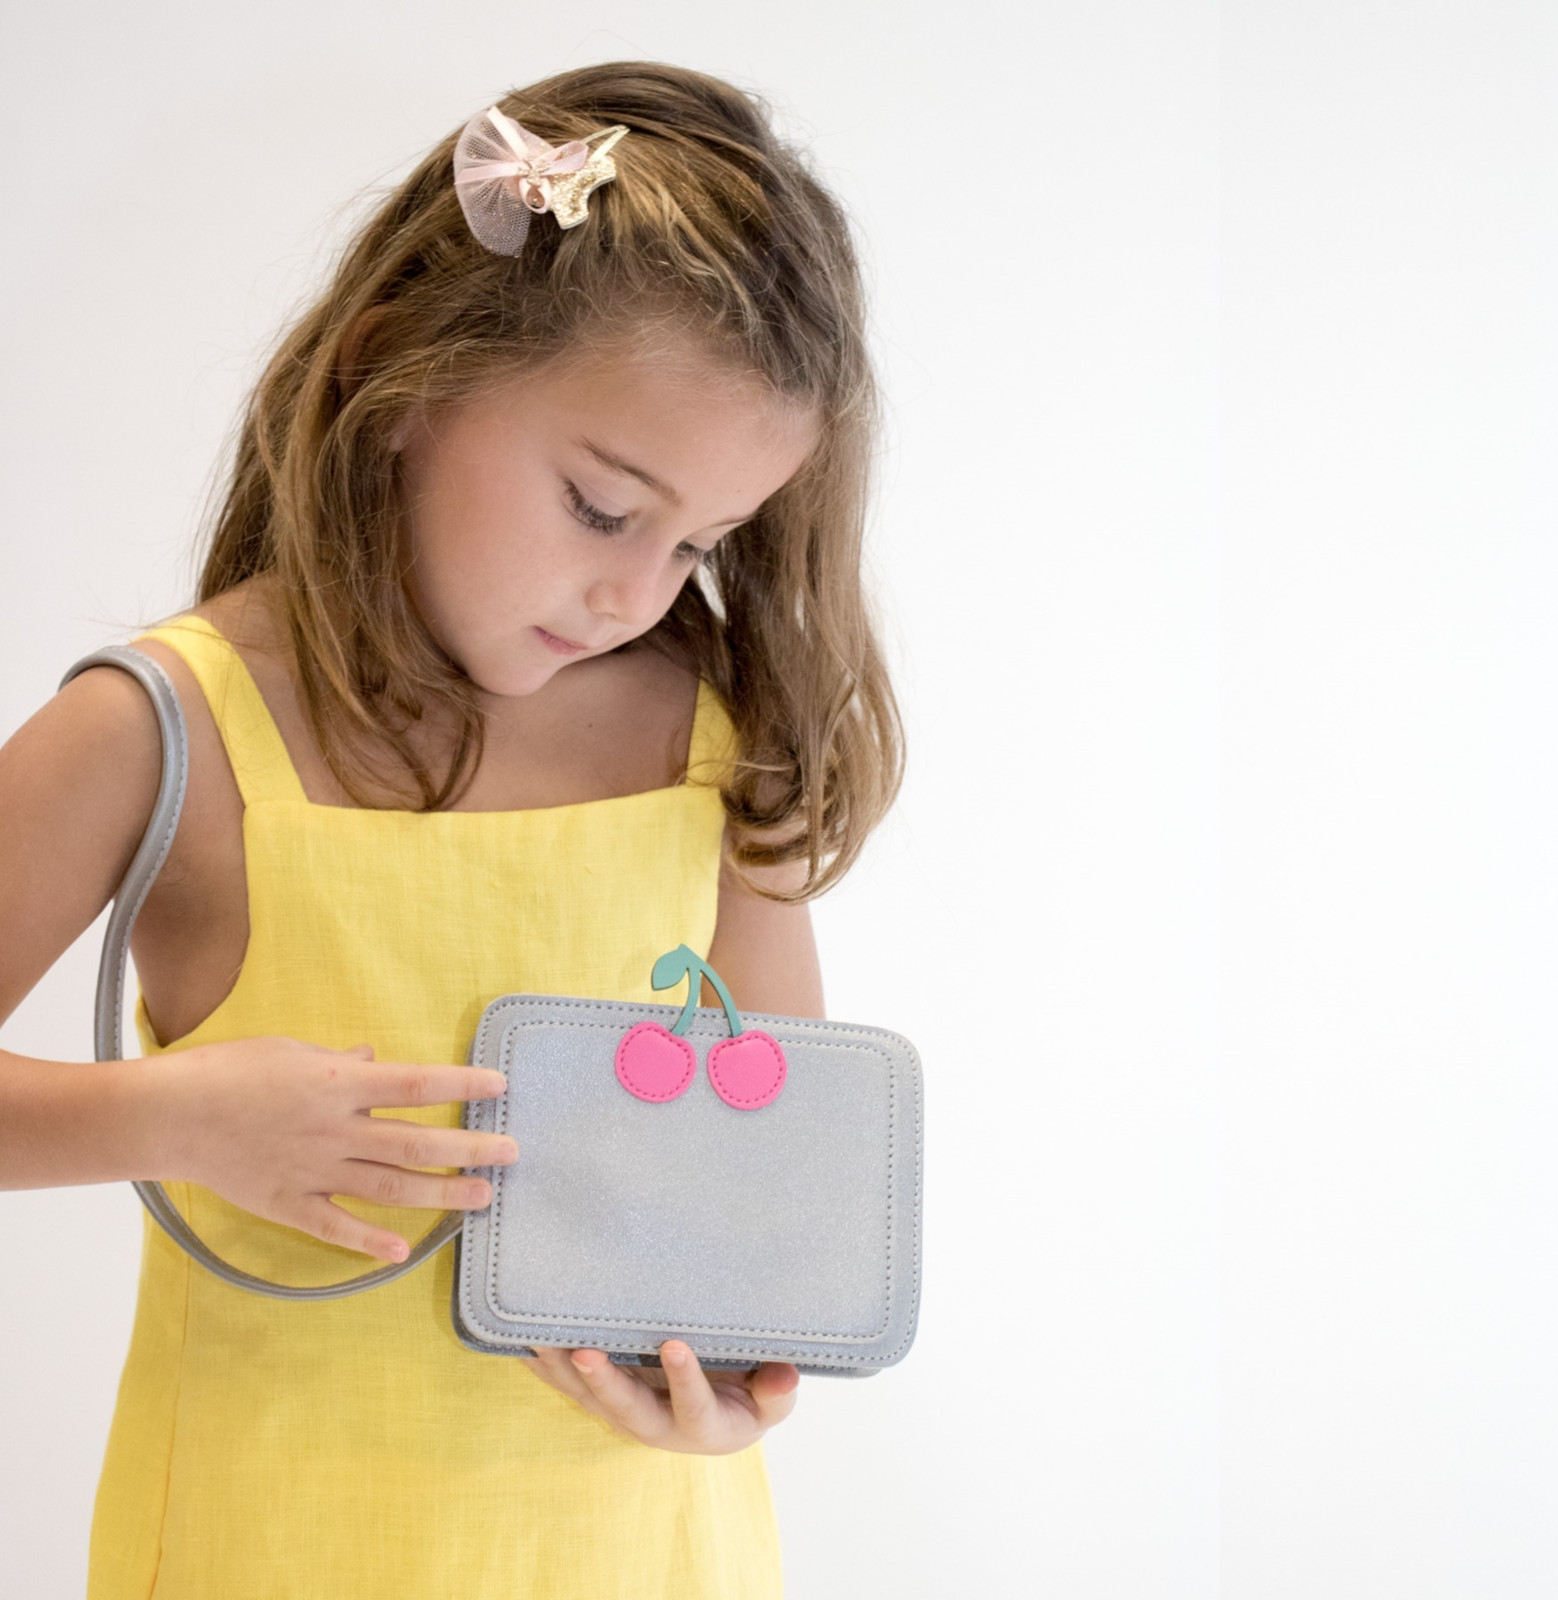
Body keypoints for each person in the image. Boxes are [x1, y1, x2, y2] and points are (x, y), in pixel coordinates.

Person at [0, 60, 904, 1599]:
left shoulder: (713, 744)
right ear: (398, 380)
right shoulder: (167, 728)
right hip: (264, 1548)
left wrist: (727, 1394)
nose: (635, 592)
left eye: (702, 541)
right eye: (603, 508)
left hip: (641, 1560)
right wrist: (174, 1119)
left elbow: (760, 1202)